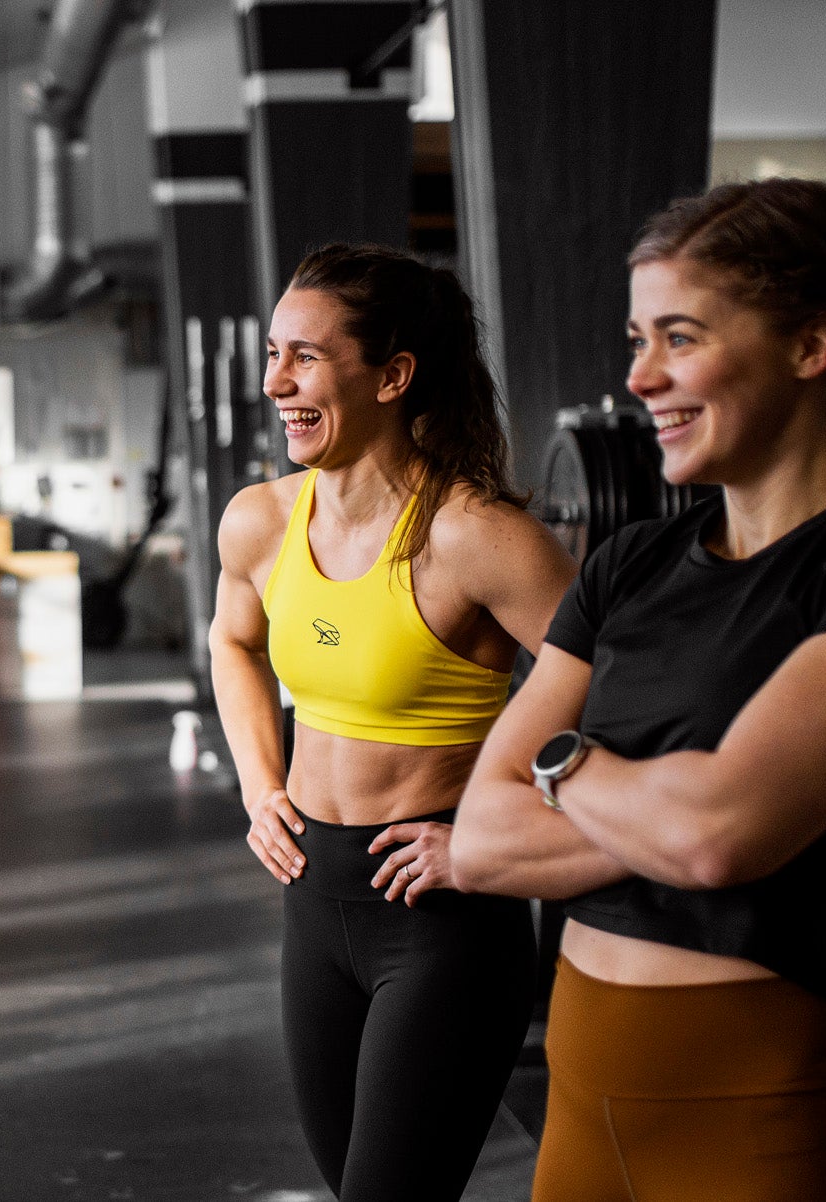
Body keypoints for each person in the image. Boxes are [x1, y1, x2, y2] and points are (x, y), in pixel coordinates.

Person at [453, 178, 826, 1201]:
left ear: (812, 344)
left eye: (680, 337)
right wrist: (665, 800)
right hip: (580, 1118)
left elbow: (718, 833)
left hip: (766, 1124)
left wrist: (563, 764)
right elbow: (482, 841)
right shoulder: (629, 565)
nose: (640, 376)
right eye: (637, 339)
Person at [208, 243, 579, 1202]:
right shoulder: (260, 522)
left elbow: (629, 695)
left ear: (393, 374)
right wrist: (259, 786)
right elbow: (233, 642)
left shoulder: (476, 537)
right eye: (274, 354)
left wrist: (502, 833)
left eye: (305, 357)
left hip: (441, 918)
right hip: (312, 901)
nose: (275, 383)